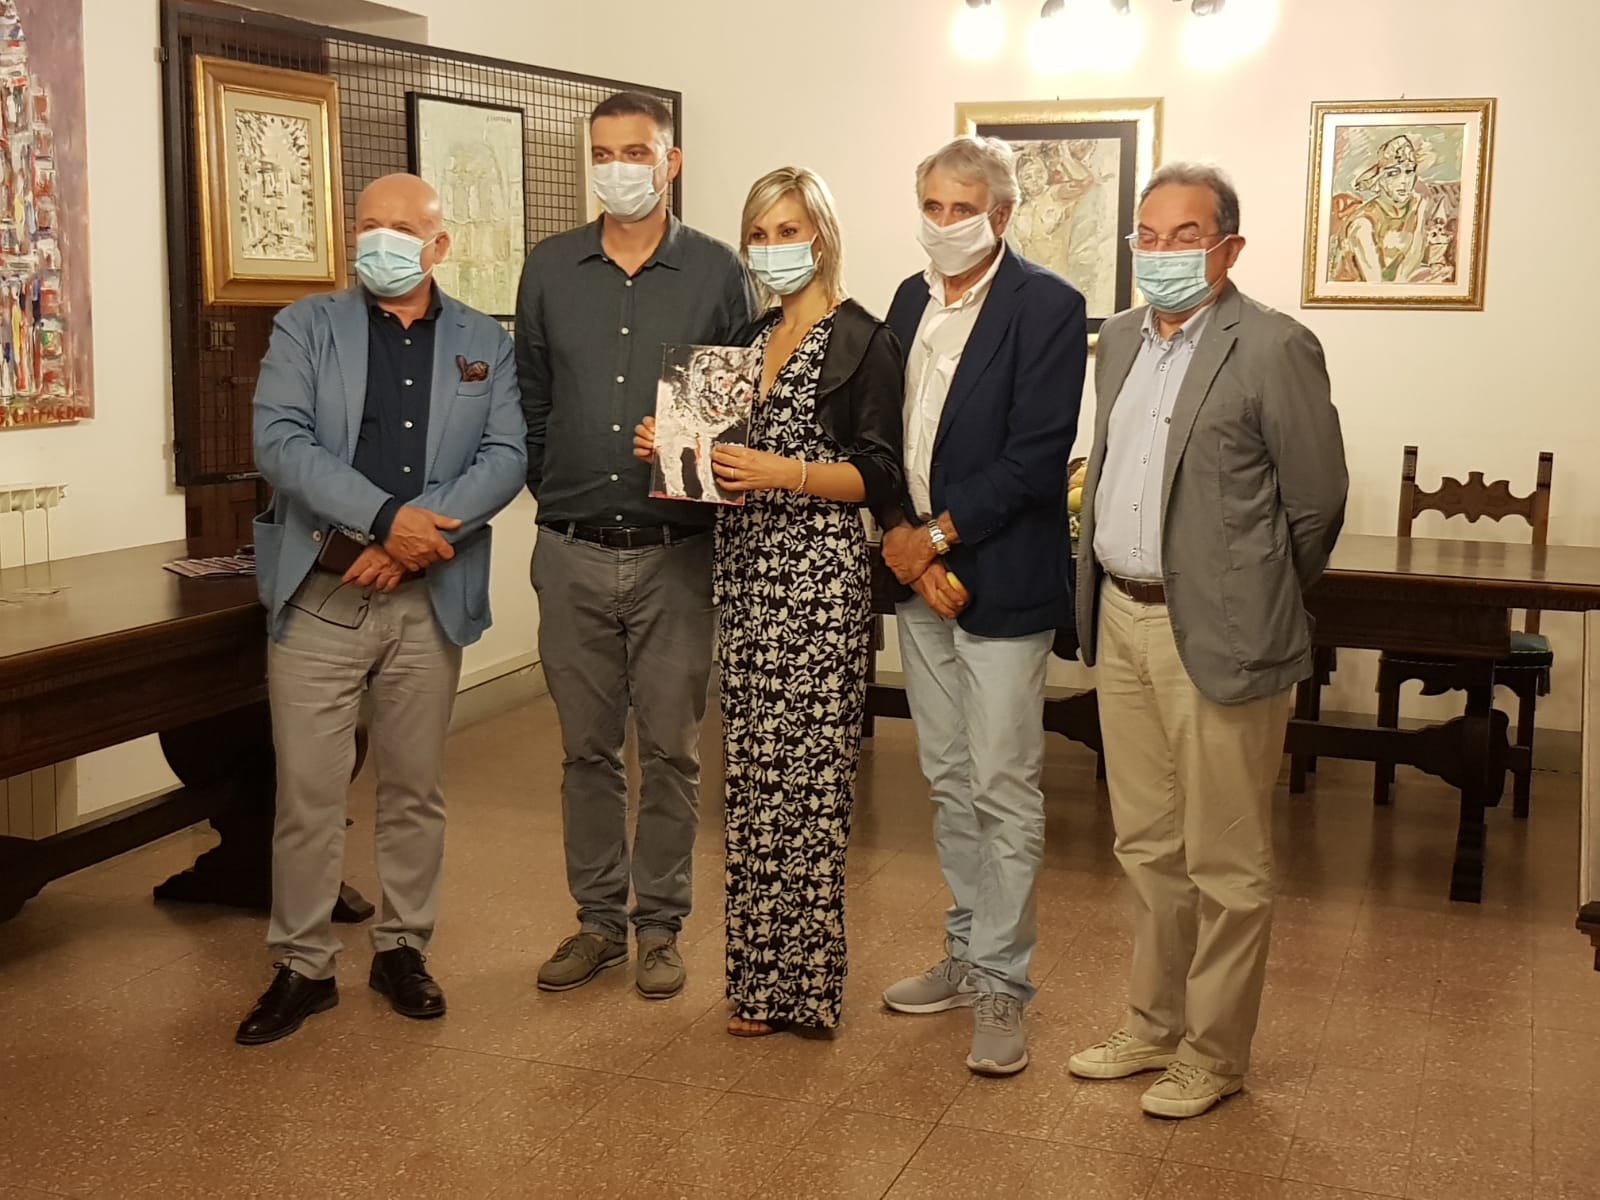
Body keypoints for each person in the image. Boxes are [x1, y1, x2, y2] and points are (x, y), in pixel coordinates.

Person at [1067, 163, 1347, 1118]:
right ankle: (1152, 1025)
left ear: (1229, 246)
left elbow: (1315, 505)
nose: (1163, 252)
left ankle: (1215, 1053)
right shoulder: (1117, 341)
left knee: (1227, 860)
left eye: (1185, 235)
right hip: (1122, 615)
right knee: (1146, 844)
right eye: (1148, 235)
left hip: (1222, 633)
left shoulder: (1273, 346)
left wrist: (1249, 594)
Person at [237, 173, 526, 1045]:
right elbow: (280, 442)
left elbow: (506, 454)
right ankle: (302, 963)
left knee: (414, 789)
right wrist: (383, 518)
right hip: (321, 595)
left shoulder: (483, 340)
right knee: (308, 794)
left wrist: (411, 538)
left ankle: (403, 947)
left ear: (440, 245)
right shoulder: (306, 326)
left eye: (404, 228)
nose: (382, 241)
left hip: (426, 597)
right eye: (369, 225)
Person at [634, 167, 903, 1036]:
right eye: (760, 232)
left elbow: (881, 473)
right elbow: (714, 464)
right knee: (751, 788)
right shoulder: (745, 340)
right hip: (746, 579)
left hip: (818, 587)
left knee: (810, 792)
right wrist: (670, 445)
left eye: (789, 230)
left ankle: (807, 992)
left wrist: (789, 472)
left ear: (821, 235)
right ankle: (757, 985)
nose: (773, 246)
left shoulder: (863, 338)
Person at [515, 92, 756, 1000]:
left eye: (636, 152)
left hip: (677, 552)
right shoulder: (549, 267)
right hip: (571, 545)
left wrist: (690, 454)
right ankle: (596, 923)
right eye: (604, 153)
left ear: (671, 162)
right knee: (585, 752)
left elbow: (734, 407)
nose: (618, 168)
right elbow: (532, 398)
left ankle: (660, 926)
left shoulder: (718, 271)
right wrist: (557, 487)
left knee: (671, 753)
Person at [878, 136, 1087, 1076]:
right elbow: (882, 435)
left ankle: (1004, 978)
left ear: (1001, 215)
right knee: (947, 776)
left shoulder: (1047, 305)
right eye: (932, 205)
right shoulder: (909, 299)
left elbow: (1037, 455)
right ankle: (965, 954)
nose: (944, 222)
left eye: (962, 208)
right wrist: (903, 539)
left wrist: (937, 537)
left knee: (1003, 784)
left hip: (997, 577)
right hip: (919, 578)